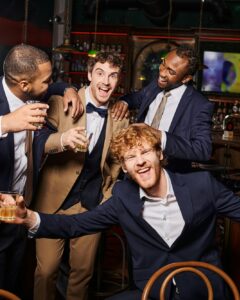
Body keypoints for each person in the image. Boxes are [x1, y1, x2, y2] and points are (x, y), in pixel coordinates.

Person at [5, 124, 240, 300]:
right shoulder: (124, 197)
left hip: (203, 288)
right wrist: (29, 217)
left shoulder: (201, 186)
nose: (140, 162)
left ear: (160, 154)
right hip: (153, 291)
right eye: (131, 158)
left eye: (145, 152)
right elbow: (77, 225)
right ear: (126, 168)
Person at [31, 51, 129, 300]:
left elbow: (116, 162)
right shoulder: (61, 100)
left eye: (113, 76)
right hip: (52, 202)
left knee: (82, 274)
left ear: (119, 81)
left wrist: (107, 198)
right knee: (47, 270)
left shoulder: (120, 116)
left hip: (91, 205)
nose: (106, 82)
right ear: (88, 75)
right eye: (100, 73)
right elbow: (37, 139)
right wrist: (62, 140)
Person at [0, 43, 82, 296]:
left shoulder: (33, 93)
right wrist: (4, 123)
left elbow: (55, 87)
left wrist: (68, 89)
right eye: (46, 81)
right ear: (24, 84)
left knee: (12, 277)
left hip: (20, 205)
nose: (50, 86)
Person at [117, 44, 214, 172]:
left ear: (186, 78)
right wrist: (124, 101)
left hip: (168, 176)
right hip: (136, 168)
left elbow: (203, 150)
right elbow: (137, 97)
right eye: (163, 63)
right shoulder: (155, 86)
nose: (162, 72)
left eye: (171, 72)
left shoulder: (199, 104)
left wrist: (160, 137)